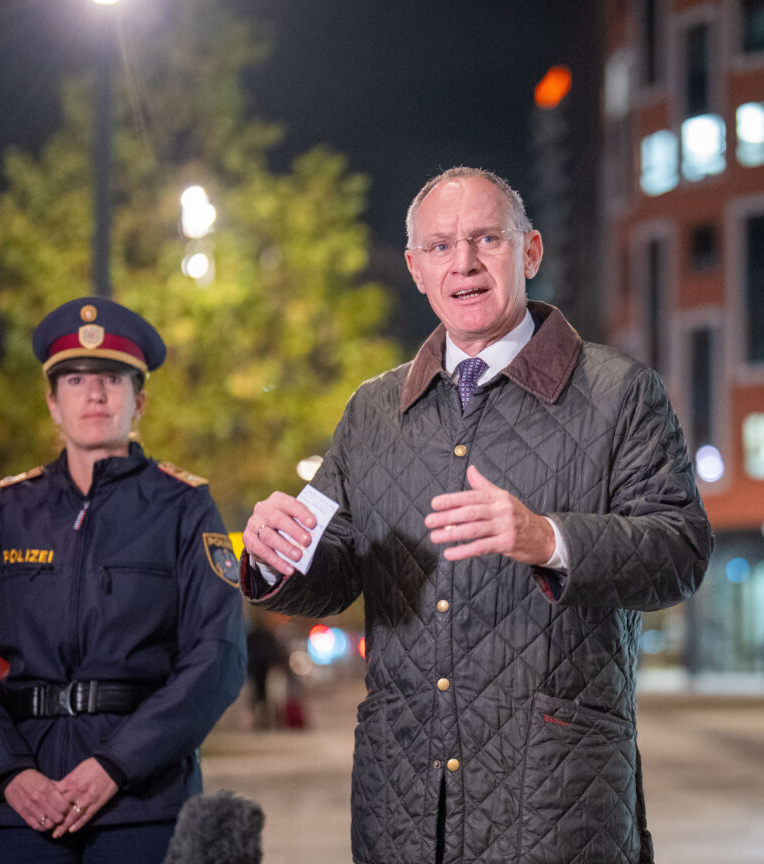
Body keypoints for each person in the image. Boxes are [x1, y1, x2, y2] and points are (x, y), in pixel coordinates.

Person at [242, 166, 712, 863]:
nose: (462, 263)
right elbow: (336, 572)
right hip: (401, 798)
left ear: (530, 252)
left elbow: (680, 551)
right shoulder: (372, 412)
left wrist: (547, 538)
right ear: (414, 268)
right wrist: (277, 556)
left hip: (556, 798)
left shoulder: (619, 393)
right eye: (439, 246)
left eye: (485, 238)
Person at [0, 297, 248, 863]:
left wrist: (115, 764)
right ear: (54, 404)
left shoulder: (184, 507)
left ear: (140, 401)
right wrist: (6, 772)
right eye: (76, 380)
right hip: (19, 803)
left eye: (112, 379)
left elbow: (218, 655)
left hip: (143, 800)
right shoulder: (8, 511)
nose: (96, 394)